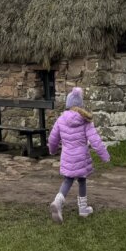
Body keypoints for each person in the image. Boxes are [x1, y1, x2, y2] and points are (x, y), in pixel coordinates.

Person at [47, 87, 109, 222]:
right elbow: (95, 140)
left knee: (68, 180)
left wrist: (52, 150)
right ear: (80, 105)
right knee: (82, 180)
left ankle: (58, 201)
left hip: (67, 157)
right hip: (81, 157)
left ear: (68, 104)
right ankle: (83, 209)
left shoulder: (61, 120)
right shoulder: (85, 120)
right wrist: (104, 156)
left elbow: (52, 139)